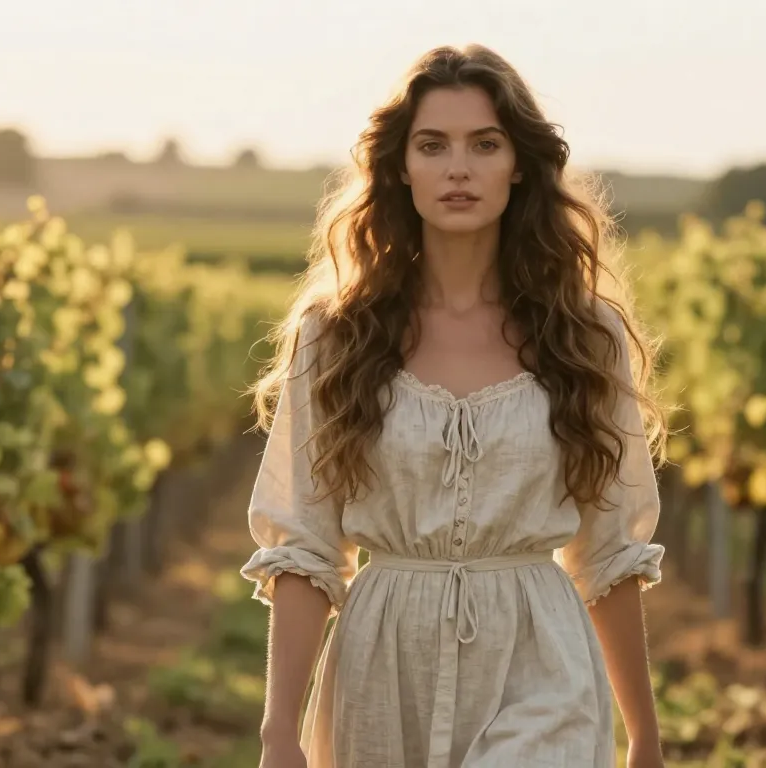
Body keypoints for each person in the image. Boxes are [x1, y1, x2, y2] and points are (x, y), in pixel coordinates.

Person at [240, 42, 669, 768]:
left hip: (543, 662)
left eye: (485, 144)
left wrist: (645, 736)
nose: (459, 168)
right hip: (383, 670)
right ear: (400, 168)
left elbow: (609, 552)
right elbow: (305, 545)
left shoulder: (585, 336)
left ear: (520, 164)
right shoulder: (337, 336)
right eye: (433, 145)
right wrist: (279, 731)